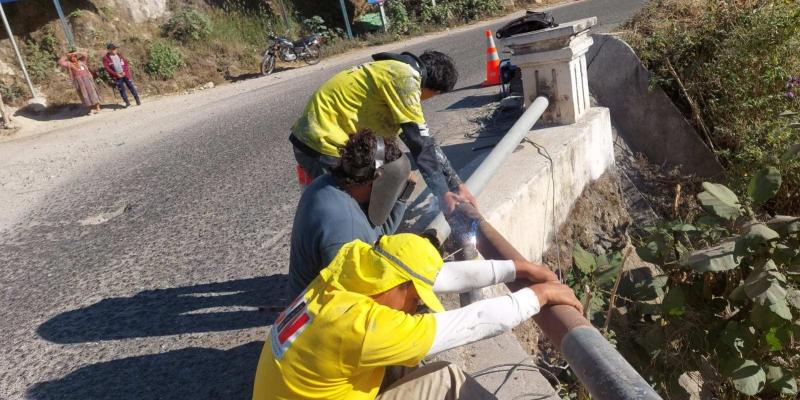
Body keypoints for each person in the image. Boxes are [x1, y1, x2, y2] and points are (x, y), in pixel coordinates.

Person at [253, 233, 582, 400]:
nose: (415, 307)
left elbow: (433, 276)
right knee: (445, 377)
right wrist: (539, 296)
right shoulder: (361, 326)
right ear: (397, 285)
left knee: (405, 358)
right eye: (413, 299)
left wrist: (515, 269)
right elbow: (468, 323)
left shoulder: (350, 271)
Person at [290, 50, 476, 214]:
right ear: (433, 89)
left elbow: (424, 142)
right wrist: (443, 193)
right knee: (347, 208)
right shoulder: (406, 79)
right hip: (321, 143)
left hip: (317, 136)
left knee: (381, 170)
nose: (425, 101)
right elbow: (420, 145)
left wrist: (456, 184)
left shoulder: (392, 70)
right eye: (432, 97)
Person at [288, 128, 415, 298]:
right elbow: (355, 302)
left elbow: (377, 230)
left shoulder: (328, 184)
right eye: (390, 186)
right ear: (376, 179)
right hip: (323, 316)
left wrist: (402, 195)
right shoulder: (346, 230)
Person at [57, 50, 101, 114]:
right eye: (72, 57)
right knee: (84, 94)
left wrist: (76, 52)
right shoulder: (69, 64)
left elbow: (85, 54)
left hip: (87, 79)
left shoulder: (82, 61)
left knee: (92, 92)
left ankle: (97, 107)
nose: (73, 58)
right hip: (79, 82)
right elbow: (60, 62)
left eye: (74, 56)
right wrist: (67, 55)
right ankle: (91, 108)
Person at [102, 43, 141, 107]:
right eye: (113, 49)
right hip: (117, 77)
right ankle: (127, 103)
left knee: (131, 87)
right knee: (122, 90)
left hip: (125, 74)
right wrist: (116, 74)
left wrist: (125, 72)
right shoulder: (106, 58)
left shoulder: (119, 55)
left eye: (115, 49)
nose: (115, 50)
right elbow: (107, 68)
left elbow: (125, 64)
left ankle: (137, 100)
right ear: (109, 50)